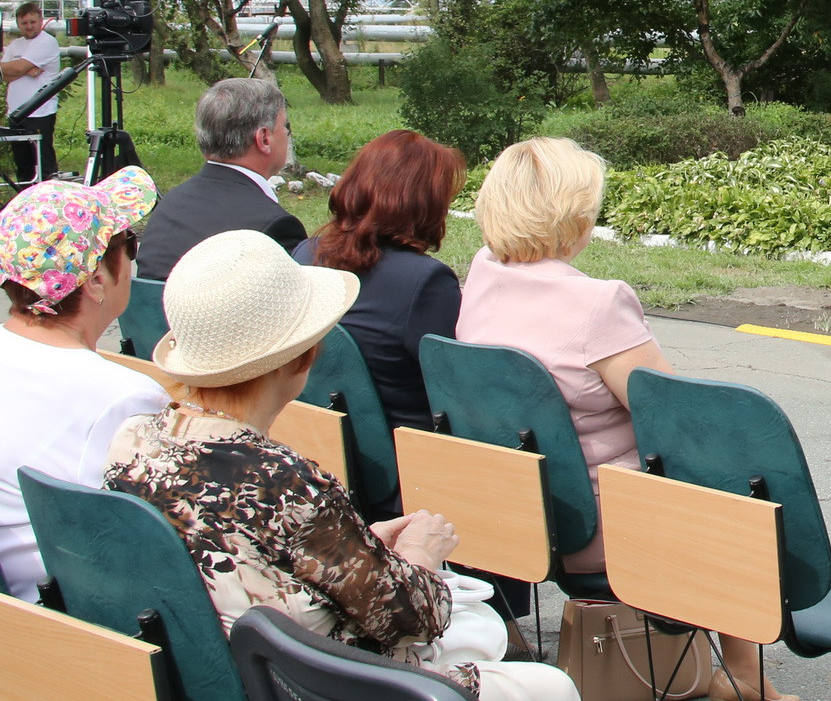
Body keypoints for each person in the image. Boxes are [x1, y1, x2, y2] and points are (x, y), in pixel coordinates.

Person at [103, 230, 578, 701]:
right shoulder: (284, 481)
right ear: (303, 352)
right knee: (546, 684)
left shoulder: (133, 442)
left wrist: (360, 542)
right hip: (321, 681)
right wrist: (420, 553)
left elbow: (260, 552)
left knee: (483, 630)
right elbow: (415, 618)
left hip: (220, 668)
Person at [457, 137, 788, 701]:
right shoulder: (597, 303)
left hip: (523, 518)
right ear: (576, 216)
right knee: (736, 493)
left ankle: (735, 675)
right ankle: (746, 679)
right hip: (605, 529)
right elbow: (679, 419)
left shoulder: (483, 275)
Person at [0, 168, 170, 600]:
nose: (134, 259)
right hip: (75, 625)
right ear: (96, 279)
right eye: (129, 244)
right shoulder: (127, 399)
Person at [292, 129, 466, 432]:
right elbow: (455, 388)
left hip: (323, 438)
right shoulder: (426, 282)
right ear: (424, 205)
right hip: (407, 455)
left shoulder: (304, 255)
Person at [137, 78, 304, 280]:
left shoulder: (169, 205)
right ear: (264, 139)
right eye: (285, 126)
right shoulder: (275, 226)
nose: (287, 133)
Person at [3, 1, 63, 183]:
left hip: (40, 111)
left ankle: (47, 197)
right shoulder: (15, 44)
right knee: (23, 164)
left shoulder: (47, 41)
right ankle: (23, 198)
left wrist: (19, 69)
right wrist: (22, 70)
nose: (29, 26)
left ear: (40, 21)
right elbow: (6, 74)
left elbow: (17, 68)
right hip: (16, 112)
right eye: (24, 23)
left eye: (32, 22)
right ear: (18, 24)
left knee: (42, 162)